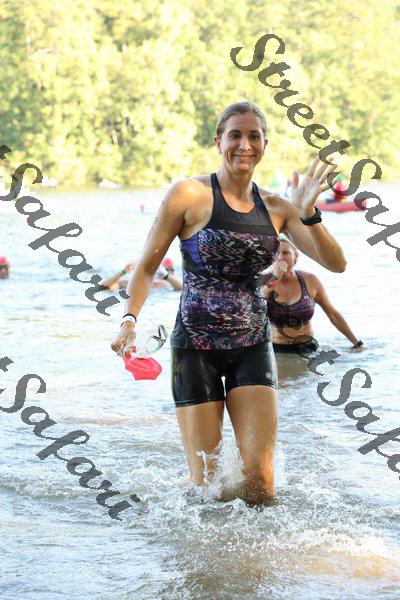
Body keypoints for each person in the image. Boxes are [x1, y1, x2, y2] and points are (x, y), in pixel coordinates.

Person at [111, 101, 346, 505]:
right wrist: (129, 320)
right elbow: (147, 267)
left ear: (265, 144)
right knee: (207, 488)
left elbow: (336, 264)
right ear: (218, 141)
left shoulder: (277, 208)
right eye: (235, 135)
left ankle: (257, 549)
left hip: (252, 346)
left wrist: (309, 214)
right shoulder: (189, 195)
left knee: (261, 484)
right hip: (195, 348)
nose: (244, 145)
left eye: (254, 136)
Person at [262, 237, 364, 355]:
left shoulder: (310, 280)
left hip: (308, 347)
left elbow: (333, 315)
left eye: (286, 253)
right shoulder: (263, 281)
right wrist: (275, 278)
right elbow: (257, 303)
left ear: (295, 257)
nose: (280, 257)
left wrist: (357, 343)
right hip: (277, 350)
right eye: (276, 253)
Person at [100, 257, 182, 292]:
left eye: (172, 270)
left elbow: (181, 289)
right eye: (167, 270)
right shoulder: (128, 283)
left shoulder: (162, 283)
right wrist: (123, 272)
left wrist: (165, 275)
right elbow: (103, 287)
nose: (171, 272)